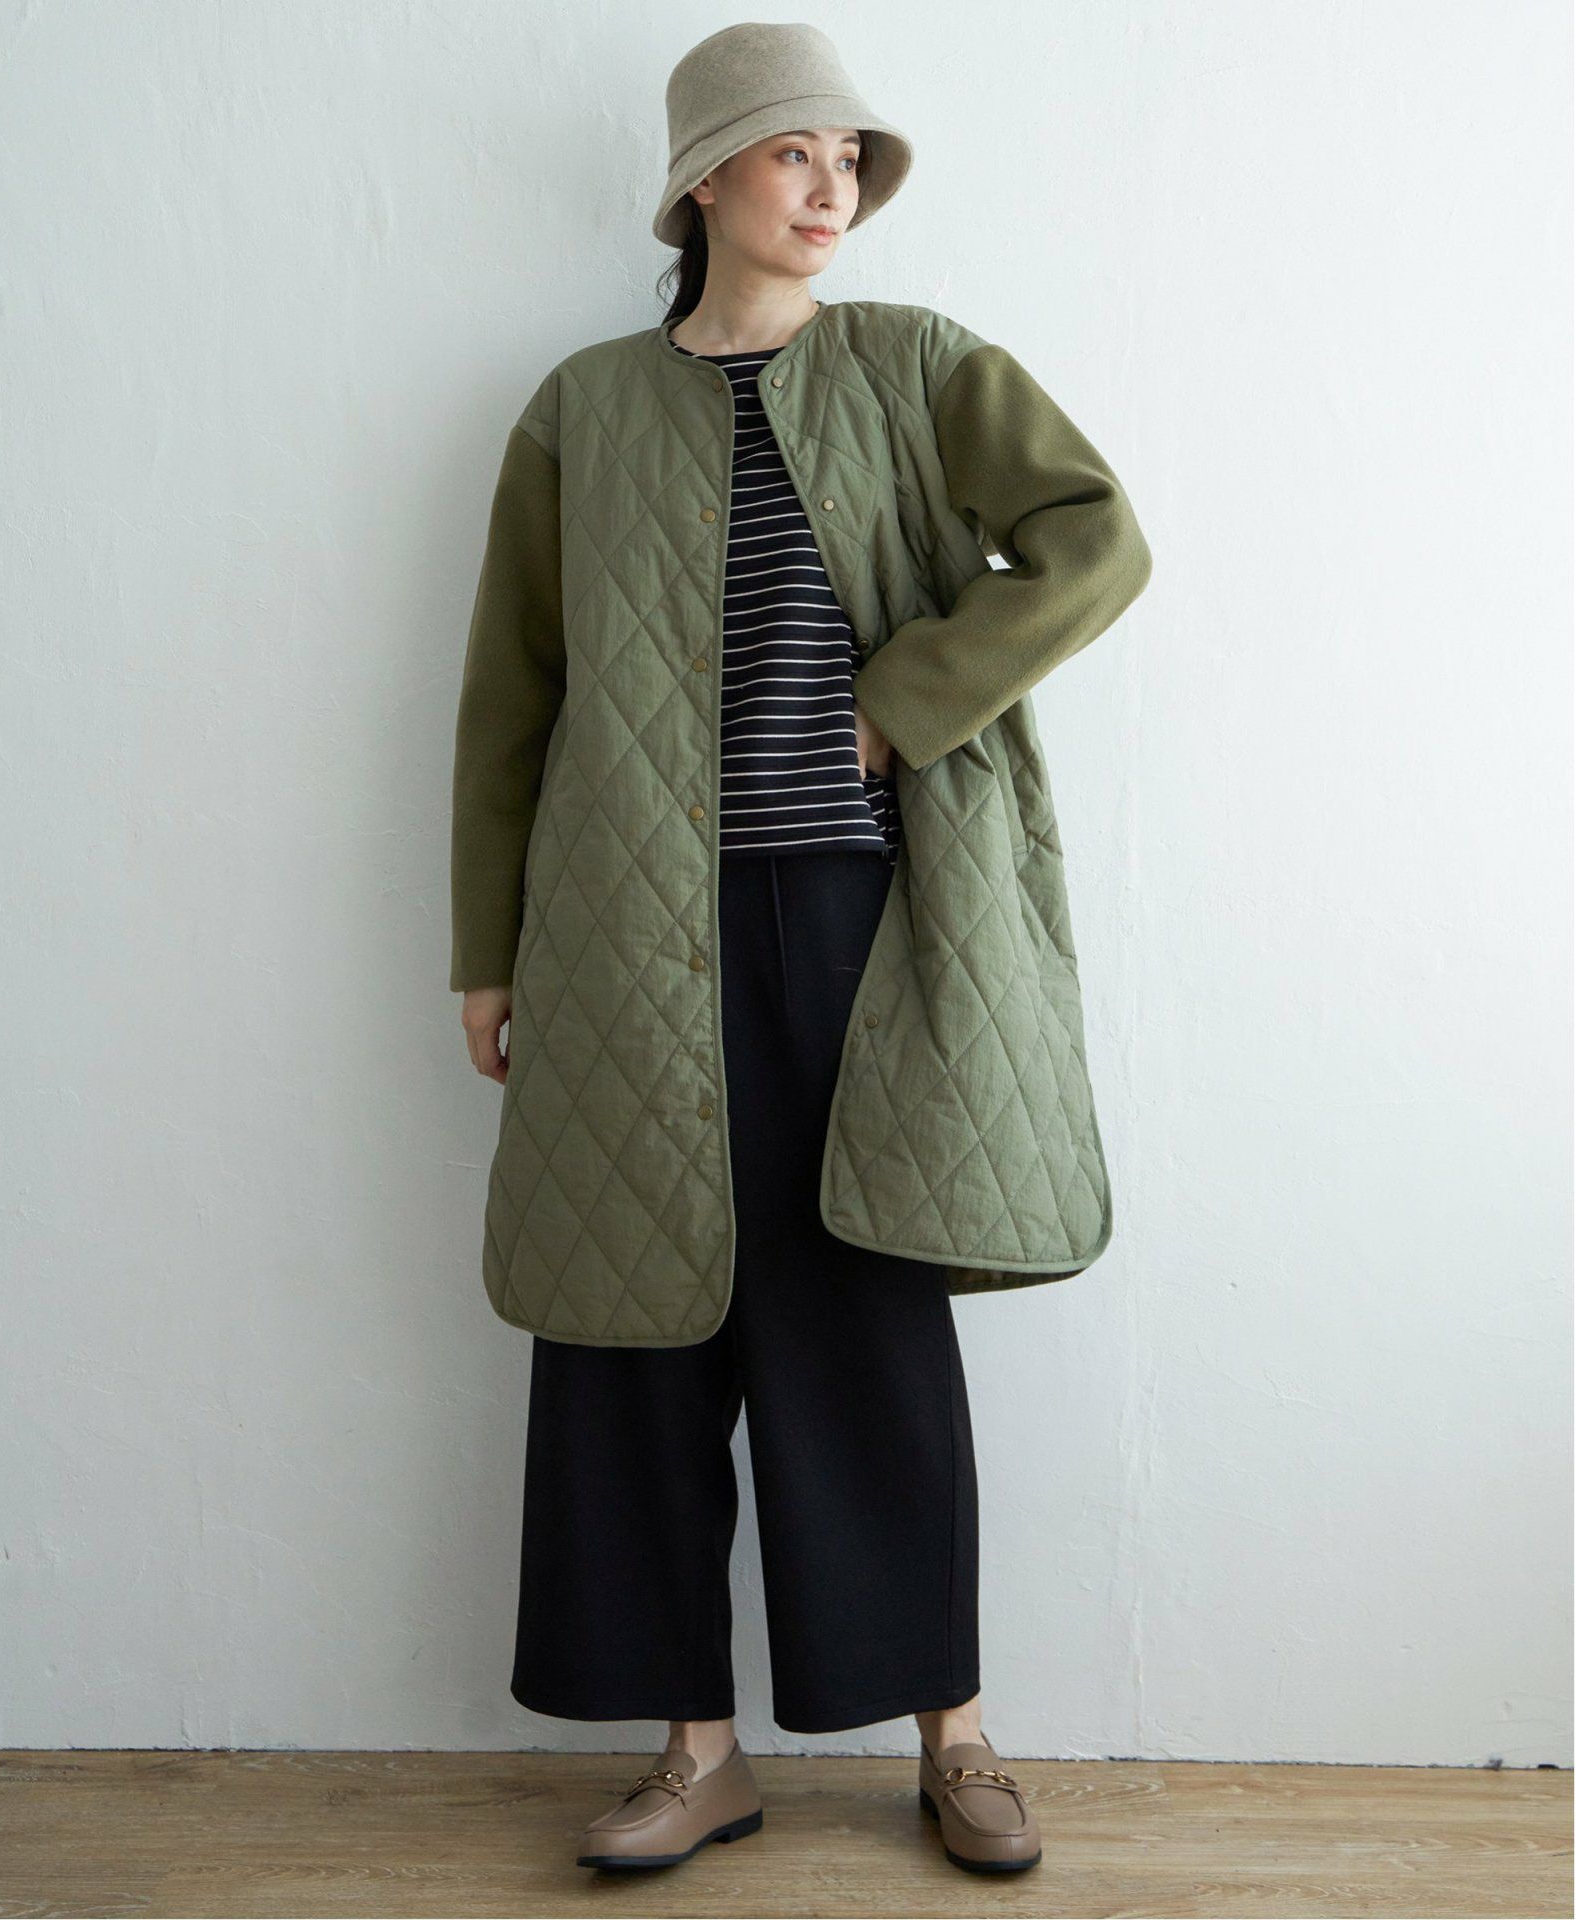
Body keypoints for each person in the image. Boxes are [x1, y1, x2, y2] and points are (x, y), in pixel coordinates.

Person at [449, 20, 1152, 1878]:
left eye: (850, 157)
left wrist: (899, 704)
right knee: (635, 1327)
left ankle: (956, 1738)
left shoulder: (918, 365)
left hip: (857, 925)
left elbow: (1094, 540)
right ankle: (697, 1753)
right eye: (792, 153)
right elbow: (513, 693)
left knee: (867, 1319)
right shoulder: (583, 408)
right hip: (621, 931)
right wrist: (485, 949)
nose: (831, 184)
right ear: (705, 180)